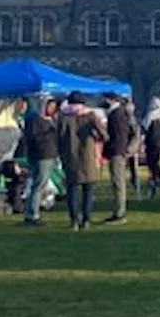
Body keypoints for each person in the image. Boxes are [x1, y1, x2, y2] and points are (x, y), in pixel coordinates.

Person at [57, 92, 104, 231]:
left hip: (70, 156)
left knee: (71, 190)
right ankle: (86, 220)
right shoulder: (90, 116)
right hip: (88, 156)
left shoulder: (63, 117)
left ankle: (74, 221)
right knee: (88, 190)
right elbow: (103, 134)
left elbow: (58, 137)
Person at [21, 97, 59, 226]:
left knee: (40, 184)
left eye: (54, 106)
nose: (52, 109)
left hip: (49, 154)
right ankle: (32, 214)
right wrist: (50, 135)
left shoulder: (51, 120)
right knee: (38, 184)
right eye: (50, 106)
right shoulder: (35, 120)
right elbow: (34, 138)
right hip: (41, 155)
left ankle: (32, 211)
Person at [102, 92, 134, 225]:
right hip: (118, 150)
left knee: (118, 182)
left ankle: (120, 213)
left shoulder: (117, 115)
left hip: (117, 151)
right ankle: (118, 211)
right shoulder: (119, 113)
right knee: (117, 182)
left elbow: (118, 135)